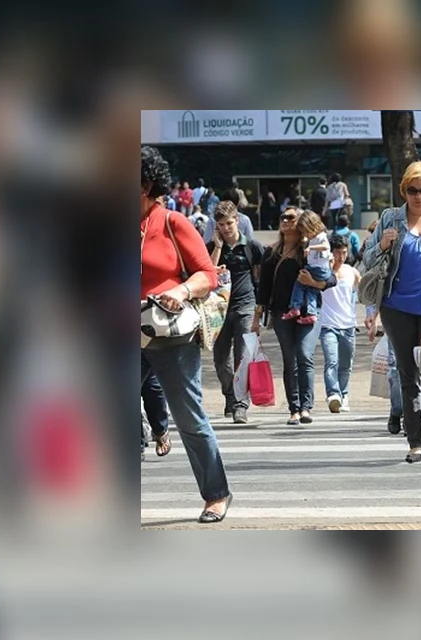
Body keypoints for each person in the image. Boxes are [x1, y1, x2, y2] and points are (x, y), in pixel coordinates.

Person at [140, 146, 232, 522]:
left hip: (168, 334)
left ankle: (216, 494)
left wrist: (180, 290)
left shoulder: (172, 223)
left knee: (189, 417)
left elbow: (207, 274)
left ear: (146, 184)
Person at [362, 160, 421, 464]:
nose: (418, 195)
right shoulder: (390, 219)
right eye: (412, 190)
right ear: (404, 190)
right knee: (408, 374)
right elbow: (367, 262)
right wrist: (383, 245)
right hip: (396, 308)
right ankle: (414, 439)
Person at [255, 207, 337, 425]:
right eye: (282, 217)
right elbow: (263, 287)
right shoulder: (272, 252)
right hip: (282, 312)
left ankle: (306, 407)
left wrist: (313, 283)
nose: (285, 220)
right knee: (289, 360)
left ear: (300, 222)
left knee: (304, 354)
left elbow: (331, 279)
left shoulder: (310, 250)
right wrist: (257, 317)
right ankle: (294, 408)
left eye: (290, 217)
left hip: (309, 311)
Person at [206, 201, 266, 424]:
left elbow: (262, 276)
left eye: (229, 223)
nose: (226, 228)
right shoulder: (211, 247)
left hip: (245, 305)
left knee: (243, 356)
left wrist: (259, 311)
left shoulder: (251, 246)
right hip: (218, 309)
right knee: (221, 359)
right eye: (221, 224)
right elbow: (206, 274)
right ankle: (230, 396)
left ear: (237, 221)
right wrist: (218, 248)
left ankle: (241, 404)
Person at [319, 234, 361, 413]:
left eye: (344, 252)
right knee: (332, 361)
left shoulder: (352, 271)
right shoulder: (323, 272)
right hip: (328, 324)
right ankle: (333, 394)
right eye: (337, 252)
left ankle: (344, 395)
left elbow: (361, 291)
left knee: (346, 364)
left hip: (348, 325)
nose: (341, 256)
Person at [280, 211, 332, 325]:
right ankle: (311, 313)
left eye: (306, 232)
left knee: (300, 283)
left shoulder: (320, 237)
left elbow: (326, 246)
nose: (306, 235)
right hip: (318, 268)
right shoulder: (311, 239)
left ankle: (295, 306)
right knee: (311, 290)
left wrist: (310, 248)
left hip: (317, 269)